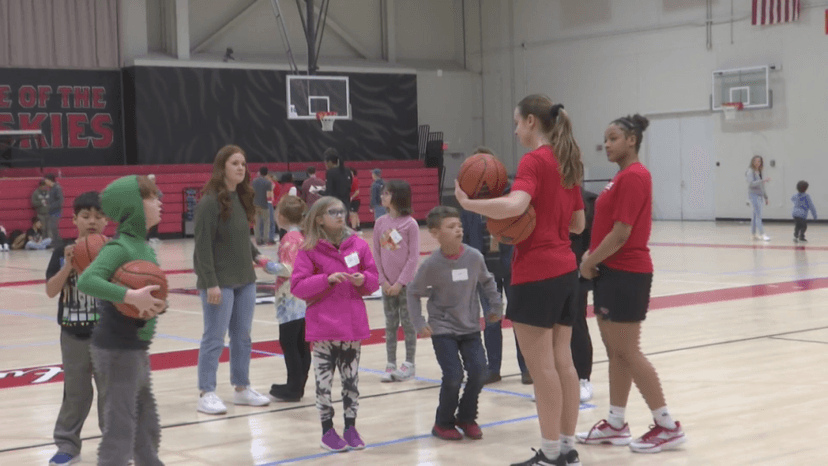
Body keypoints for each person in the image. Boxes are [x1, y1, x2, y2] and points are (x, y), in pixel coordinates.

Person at [456, 95, 585, 466]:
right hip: (565, 271)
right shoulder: (566, 161)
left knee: (542, 368)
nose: (515, 130)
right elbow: (577, 224)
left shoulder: (534, 160)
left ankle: (548, 453)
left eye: (517, 123)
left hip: (535, 273)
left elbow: (514, 206)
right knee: (564, 364)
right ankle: (566, 448)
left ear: (531, 121)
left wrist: (470, 205)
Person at [577, 114, 687, 454]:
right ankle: (615, 422)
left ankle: (667, 425)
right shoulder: (620, 178)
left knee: (627, 350)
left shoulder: (635, 176)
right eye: (605, 139)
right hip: (611, 273)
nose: (607, 144)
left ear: (632, 141)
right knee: (616, 353)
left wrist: (589, 261)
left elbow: (622, 232)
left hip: (626, 272)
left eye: (613, 138)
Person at [76, 175, 166, 466]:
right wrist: (130, 296)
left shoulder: (145, 247)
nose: (160, 202)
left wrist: (157, 305)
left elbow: (147, 294)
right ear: (134, 207)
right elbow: (87, 281)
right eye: (152, 198)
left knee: (146, 419)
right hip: (116, 347)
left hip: (135, 346)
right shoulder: (120, 247)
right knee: (122, 425)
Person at [291, 196, 379, 452]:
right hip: (323, 328)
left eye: (342, 211)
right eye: (333, 212)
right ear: (319, 218)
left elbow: (374, 278)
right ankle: (327, 430)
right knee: (324, 384)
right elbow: (298, 286)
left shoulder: (359, 246)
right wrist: (326, 279)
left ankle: (351, 427)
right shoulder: (308, 249)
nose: (340, 215)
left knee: (351, 382)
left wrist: (364, 280)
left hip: (352, 326)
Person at [407, 206, 502, 441]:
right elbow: (412, 293)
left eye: (459, 226)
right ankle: (443, 423)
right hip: (442, 328)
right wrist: (419, 323)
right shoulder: (431, 264)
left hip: (470, 327)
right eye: (451, 227)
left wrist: (496, 308)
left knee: (479, 372)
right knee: (453, 376)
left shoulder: (474, 257)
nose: (458, 230)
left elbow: (489, 283)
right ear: (435, 233)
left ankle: (467, 417)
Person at [194, 145, 271, 415]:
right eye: (235, 163)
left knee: (242, 337)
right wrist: (210, 282)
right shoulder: (209, 201)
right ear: (222, 167)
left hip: (245, 280)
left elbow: (240, 238)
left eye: (243, 163)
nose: (241, 168)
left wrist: (259, 257)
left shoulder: (240, 197)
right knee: (214, 337)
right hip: (219, 282)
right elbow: (202, 247)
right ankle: (207, 392)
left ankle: (241, 388)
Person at [45, 191, 108, 466]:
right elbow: (50, 290)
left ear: (106, 221)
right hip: (73, 333)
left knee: (111, 392)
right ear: (74, 220)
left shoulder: (113, 251)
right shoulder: (62, 251)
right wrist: (69, 265)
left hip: (107, 335)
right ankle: (68, 445)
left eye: (97, 216)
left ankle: (116, 444)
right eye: (85, 216)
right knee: (76, 393)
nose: (91, 221)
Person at [262, 195, 311, 402]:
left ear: (280, 216)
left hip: (290, 298)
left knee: (289, 342)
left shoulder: (289, 239)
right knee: (301, 343)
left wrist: (263, 262)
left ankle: (293, 386)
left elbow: (288, 269)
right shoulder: (302, 236)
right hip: (304, 296)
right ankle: (298, 384)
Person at [373, 180, 420, 382]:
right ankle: (390, 364)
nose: (382, 197)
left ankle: (409, 363)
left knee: (408, 324)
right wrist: (383, 281)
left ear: (398, 196)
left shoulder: (410, 224)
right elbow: (376, 252)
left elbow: (413, 257)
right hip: (386, 285)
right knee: (390, 324)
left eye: (387, 193)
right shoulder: (380, 223)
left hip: (405, 285)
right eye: (382, 193)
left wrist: (400, 283)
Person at [570, 189, 599, 403]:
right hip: (548, 269)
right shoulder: (544, 195)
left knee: (576, 322)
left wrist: (587, 269)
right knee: (550, 329)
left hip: (575, 271)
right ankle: (554, 380)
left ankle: (583, 378)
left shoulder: (588, 199)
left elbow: (594, 240)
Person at [746, 155, 770, 241]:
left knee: (755, 215)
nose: (757, 163)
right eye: (756, 161)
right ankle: (762, 233)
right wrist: (762, 181)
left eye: (759, 161)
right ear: (752, 162)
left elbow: (762, 187)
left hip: (760, 195)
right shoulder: (750, 171)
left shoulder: (759, 171)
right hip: (753, 195)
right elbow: (751, 184)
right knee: (758, 215)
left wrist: (766, 197)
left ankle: (753, 234)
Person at [322, 148, 352, 212]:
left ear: (329, 162)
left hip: (334, 204)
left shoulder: (330, 172)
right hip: (346, 204)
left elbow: (329, 191)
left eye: (325, 163)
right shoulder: (347, 171)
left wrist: (320, 192)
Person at [252, 167, 274, 245]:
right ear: (267, 173)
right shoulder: (268, 182)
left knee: (256, 223)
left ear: (259, 172)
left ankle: (258, 239)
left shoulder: (254, 181)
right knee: (266, 222)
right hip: (264, 205)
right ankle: (265, 239)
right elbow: (269, 195)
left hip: (255, 204)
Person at [44, 173, 64, 246]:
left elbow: (60, 201)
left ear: (50, 180)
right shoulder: (51, 189)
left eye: (46, 180)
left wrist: (50, 206)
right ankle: (55, 244)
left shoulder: (57, 188)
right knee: (52, 228)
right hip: (51, 212)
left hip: (56, 212)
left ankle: (58, 244)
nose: (45, 182)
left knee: (54, 228)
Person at [146, 174, 163, 244]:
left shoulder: (155, 187)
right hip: (150, 207)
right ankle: (150, 237)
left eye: (154, 179)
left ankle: (155, 236)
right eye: (152, 179)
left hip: (155, 206)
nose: (154, 181)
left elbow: (160, 194)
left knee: (156, 222)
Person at [348, 168, 362, 232]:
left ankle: (353, 228)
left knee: (352, 214)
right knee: (355, 214)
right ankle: (358, 228)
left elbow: (357, 192)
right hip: (355, 200)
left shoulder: (354, 179)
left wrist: (351, 197)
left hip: (355, 200)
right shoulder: (350, 180)